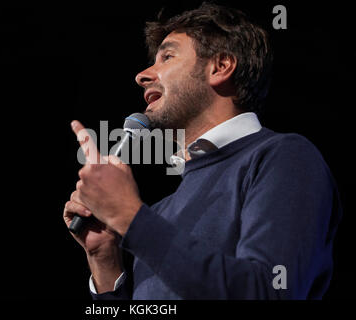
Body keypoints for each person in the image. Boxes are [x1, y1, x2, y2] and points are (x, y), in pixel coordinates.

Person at [63, 2, 342, 299]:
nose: (142, 75)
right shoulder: (161, 211)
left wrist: (131, 219)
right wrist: (104, 260)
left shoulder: (284, 157)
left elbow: (270, 292)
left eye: (167, 57)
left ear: (220, 67)